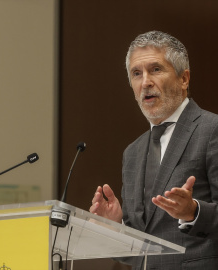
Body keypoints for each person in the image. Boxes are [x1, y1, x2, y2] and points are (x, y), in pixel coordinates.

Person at [89, 31, 218, 270]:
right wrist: (115, 229)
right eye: (136, 73)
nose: (145, 82)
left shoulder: (212, 130)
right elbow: (140, 252)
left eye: (156, 69)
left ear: (184, 79)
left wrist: (194, 212)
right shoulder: (132, 152)